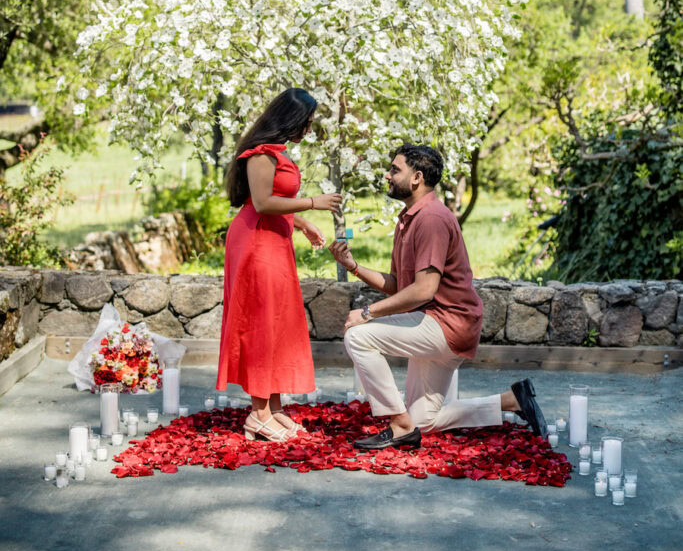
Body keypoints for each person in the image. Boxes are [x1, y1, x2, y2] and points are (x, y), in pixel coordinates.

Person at [330, 144, 547, 451]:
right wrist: (353, 266)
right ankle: (512, 401)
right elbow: (399, 284)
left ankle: (399, 424)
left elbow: (423, 290)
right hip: (431, 322)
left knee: (358, 336)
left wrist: (367, 313)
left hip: (445, 324)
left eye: (395, 169)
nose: (387, 175)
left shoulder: (431, 218)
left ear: (417, 177)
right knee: (424, 422)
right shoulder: (408, 218)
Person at [217, 87, 342, 442]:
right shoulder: (260, 155)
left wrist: (302, 225)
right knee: (261, 321)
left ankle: (273, 407)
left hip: (274, 239)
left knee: (277, 320)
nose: (309, 127)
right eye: (308, 120)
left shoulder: (276, 153)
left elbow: (278, 200)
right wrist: (313, 203)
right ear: (292, 118)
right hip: (256, 242)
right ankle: (257, 415)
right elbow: (262, 202)